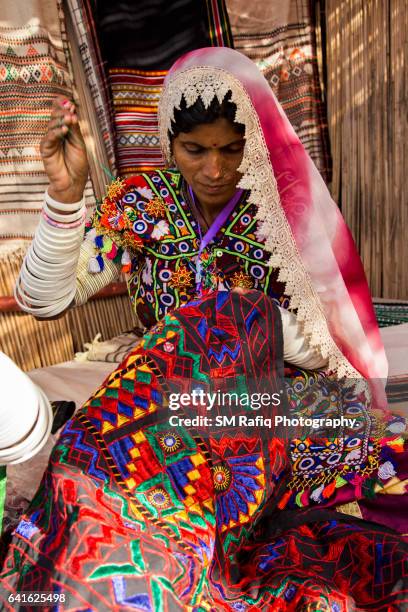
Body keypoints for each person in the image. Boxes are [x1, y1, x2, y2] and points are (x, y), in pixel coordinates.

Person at [2, 48, 407, 608]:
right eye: (194, 150)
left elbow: (330, 348)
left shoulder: (281, 209)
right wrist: (66, 199)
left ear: (256, 141)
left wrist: (249, 318)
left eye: (231, 149)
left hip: (261, 391)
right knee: (116, 471)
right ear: (169, 142)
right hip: (162, 385)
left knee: (388, 462)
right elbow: (45, 302)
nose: (214, 170)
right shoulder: (142, 205)